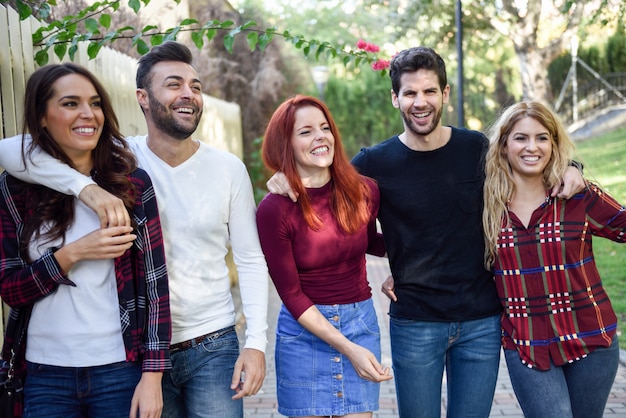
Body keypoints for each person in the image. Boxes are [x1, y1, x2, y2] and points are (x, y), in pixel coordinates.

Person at [266, 46, 586, 417]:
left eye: (430, 91)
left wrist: (572, 166)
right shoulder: (373, 163)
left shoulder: (476, 149)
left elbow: (532, 161)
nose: (421, 102)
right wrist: (284, 177)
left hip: (480, 321)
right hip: (414, 322)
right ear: (395, 99)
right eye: (410, 93)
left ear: (445, 94)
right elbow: (326, 193)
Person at [0, 41, 268, 418]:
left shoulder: (225, 169)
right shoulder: (117, 159)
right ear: (142, 97)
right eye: (174, 84)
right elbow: (11, 152)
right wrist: (87, 189)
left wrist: (256, 343)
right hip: (137, 351)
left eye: (195, 86)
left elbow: (250, 258)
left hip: (210, 342)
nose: (188, 94)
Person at [0, 63, 171, 418]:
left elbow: (156, 288)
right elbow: (10, 289)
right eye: (70, 103)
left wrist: (153, 376)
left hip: (118, 369)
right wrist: (73, 254)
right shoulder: (15, 189)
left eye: (94, 103)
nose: (87, 114)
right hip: (45, 374)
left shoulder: (132, 185)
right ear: (42, 117)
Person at [482, 101, 622, 418]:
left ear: (554, 144)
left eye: (542, 138)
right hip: (526, 342)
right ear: (504, 145)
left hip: (591, 337)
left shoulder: (578, 196)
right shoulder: (487, 203)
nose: (532, 147)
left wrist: (575, 168)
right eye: (521, 138)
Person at [257, 95, 392, 417]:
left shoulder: (364, 190)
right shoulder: (274, 210)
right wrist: (348, 349)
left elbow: (372, 241)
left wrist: (409, 266)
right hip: (303, 333)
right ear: (285, 144)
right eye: (305, 132)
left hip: (360, 323)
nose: (320, 136)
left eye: (324, 127)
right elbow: (290, 294)